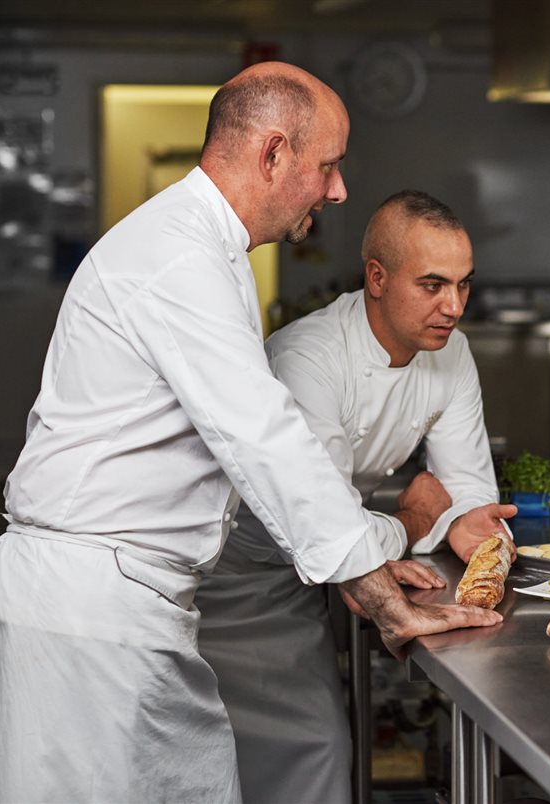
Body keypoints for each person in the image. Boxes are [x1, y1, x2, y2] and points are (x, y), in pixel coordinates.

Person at [0, 63, 500, 804]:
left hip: (116, 606)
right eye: (328, 166)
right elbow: (266, 439)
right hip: (87, 619)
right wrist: (388, 599)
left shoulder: (203, 250)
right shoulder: (180, 257)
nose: (338, 190)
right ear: (271, 154)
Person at [195, 190, 516, 804]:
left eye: (463, 285)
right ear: (376, 277)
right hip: (231, 578)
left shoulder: (452, 354)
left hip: (307, 580)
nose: (454, 307)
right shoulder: (306, 358)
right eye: (432, 285)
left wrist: (458, 522)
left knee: (315, 758)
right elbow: (329, 523)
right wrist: (412, 518)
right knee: (217, 759)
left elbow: (469, 489)